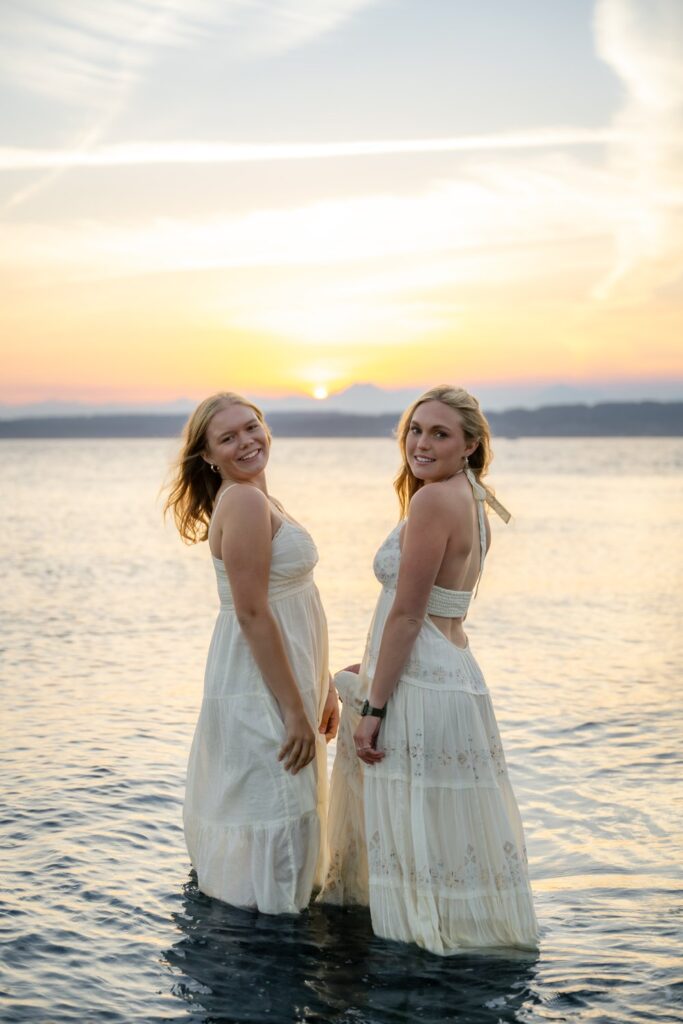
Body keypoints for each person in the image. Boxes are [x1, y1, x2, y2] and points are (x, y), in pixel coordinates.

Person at [321, 385, 539, 954]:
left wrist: (374, 707)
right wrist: (367, 665)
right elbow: (448, 611)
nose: (421, 442)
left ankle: (419, 959)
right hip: (452, 674)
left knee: (419, 836)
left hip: (418, 684)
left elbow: (408, 614)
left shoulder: (433, 501)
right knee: (444, 838)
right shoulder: (470, 496)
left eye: (439, 433)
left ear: (469, 445)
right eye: (415, 429)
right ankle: (457, 954)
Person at [165, 392, 339, 914]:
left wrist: (323, 681)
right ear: (208, 456)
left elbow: (296, 607)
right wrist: (292, 710)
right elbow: (253, 613)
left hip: (288, 679)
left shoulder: (262, 498)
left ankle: (272, 929)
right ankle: (263, 944)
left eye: (251, 427)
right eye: (228, 437)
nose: (246, 442)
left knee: (284, 806)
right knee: (274, 807)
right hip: (260, 687)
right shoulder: (242, 500)